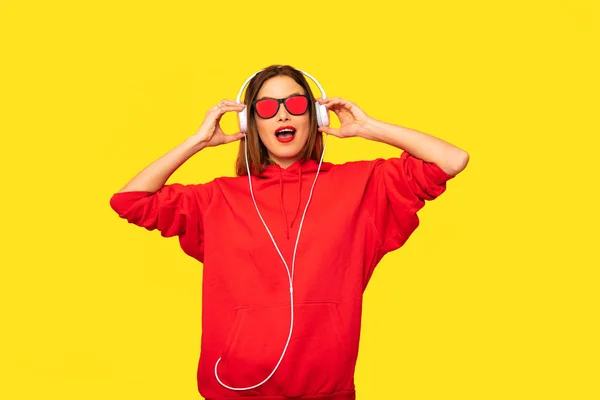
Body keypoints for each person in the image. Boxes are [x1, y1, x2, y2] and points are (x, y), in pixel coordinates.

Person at [109, 64, 469, 400]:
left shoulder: (362, 185)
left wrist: (369, 128)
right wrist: (198, 141)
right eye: (265, 108)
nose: (282, 114)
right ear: (250, 124)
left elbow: (451, 160)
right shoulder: (216, 198)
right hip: (233, 388)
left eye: (295, 104)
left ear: (315, 116)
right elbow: (129, 201)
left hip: (327, 390)